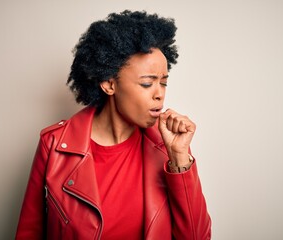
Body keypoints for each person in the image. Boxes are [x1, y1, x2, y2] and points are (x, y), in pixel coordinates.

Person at [16, 10, 211, 240]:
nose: (159, 94)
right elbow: (29, 233)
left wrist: (179, 159)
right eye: (147, 84)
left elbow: (197, 237)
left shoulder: (168, 149)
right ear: (109, 85)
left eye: (164, 82)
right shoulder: (54, 146)